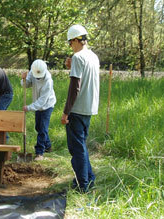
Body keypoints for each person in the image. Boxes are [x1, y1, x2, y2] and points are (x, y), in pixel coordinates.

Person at [61, 24, 100, 193]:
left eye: (70, 43)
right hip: (89, 108)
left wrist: (65, 112)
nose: (71, 46)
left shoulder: (77, 58)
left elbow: (74, 87)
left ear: (77, 40)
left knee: (76, 149)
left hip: (76, 110)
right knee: (81, 146)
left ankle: (82, 186)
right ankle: (89, 178)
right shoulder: (93, 56)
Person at [21, 59, 56, 161]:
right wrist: (23, 79)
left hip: (47, 105)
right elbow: (26, 85)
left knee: (43, 129)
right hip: (38, 105)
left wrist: (29, 107)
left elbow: (42, 101)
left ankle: (39, 153)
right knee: (38, 127)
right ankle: (48, 146)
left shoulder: (48, 81)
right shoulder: (33, 71)